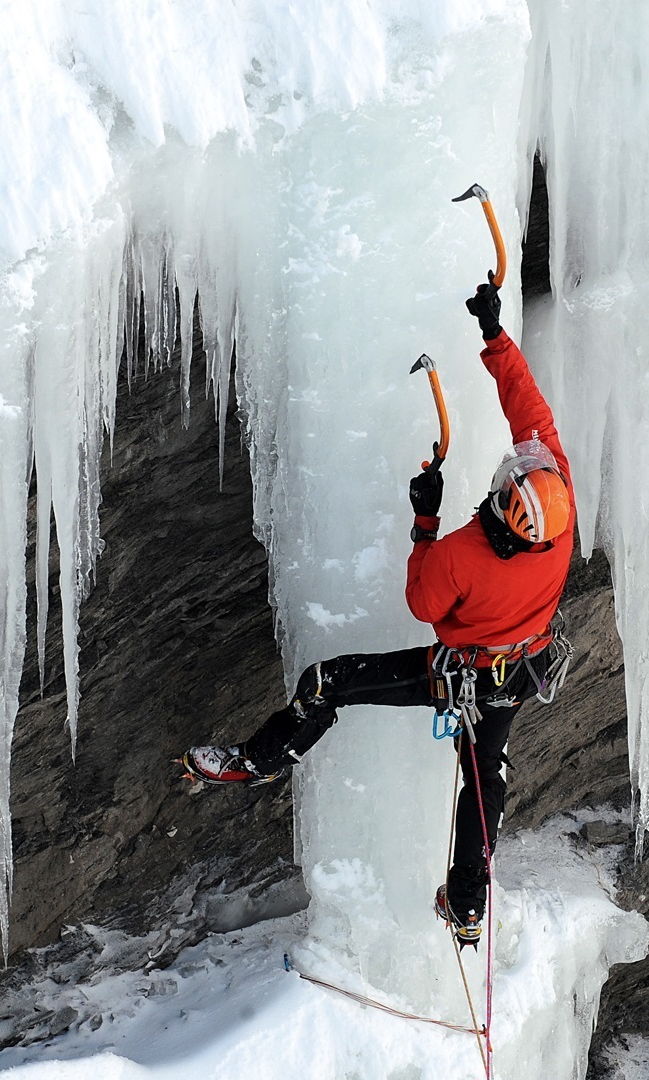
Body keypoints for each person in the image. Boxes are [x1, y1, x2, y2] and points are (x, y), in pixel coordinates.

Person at [180, 280, 576, 945]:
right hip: (515, 673)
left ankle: (261, 759)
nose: (506, 474)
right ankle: (468, 903)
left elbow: (423, 602)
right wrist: (496, 338)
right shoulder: (554, 518)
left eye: (508, 482)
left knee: (328, 685)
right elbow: (532, 414)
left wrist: (424, 518)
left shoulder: (464, 554)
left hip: (459, 671)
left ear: (510, 515)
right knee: (484, 781)